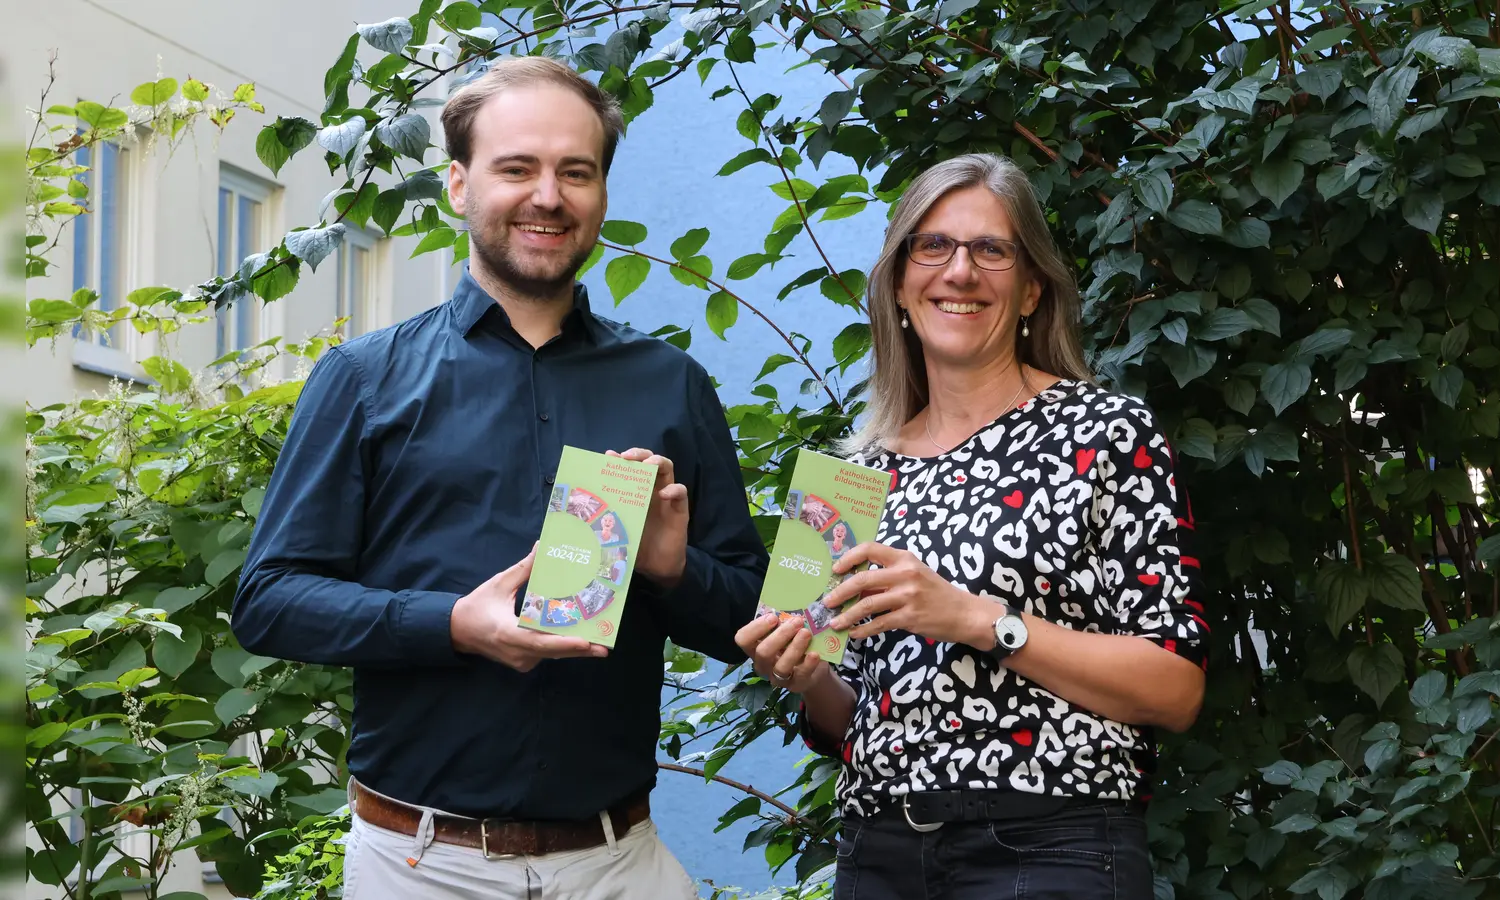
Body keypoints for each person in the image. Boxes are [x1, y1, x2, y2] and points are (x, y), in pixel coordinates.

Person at [233, 56, 766, 900]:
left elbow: (751, 618)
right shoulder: (365, 378)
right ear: (458, 184)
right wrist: (450, 625)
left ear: (599, 192)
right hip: (420, 865)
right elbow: (268, 601)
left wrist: (672, 569)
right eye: (516, 167)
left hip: (618, 864)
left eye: (575, 172)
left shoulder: (671, 385)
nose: (548, 196)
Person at [736, 153, 1207, 900]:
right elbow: (846, 721)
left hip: (1052, 843)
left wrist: (976, 618)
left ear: (1030, 291)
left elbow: (1175, 689)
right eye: (933, 246)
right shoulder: (845, 479)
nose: (960, 271)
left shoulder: (1106, 430)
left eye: (991, 250)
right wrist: (801, 673)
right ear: (897, 284)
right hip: (880, 850)